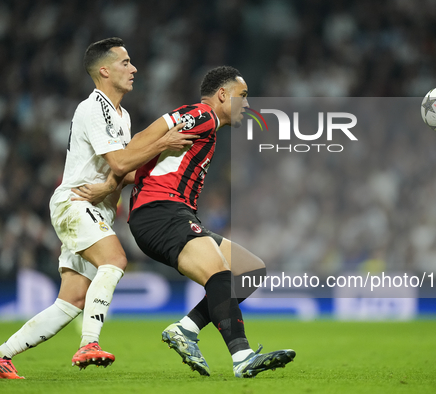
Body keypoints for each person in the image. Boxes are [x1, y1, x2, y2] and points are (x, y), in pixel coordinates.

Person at [0, 37, 195, 379]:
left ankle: (0, 356)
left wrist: (118, 180)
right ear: (104, 70)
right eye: (125, 62)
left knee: (72, 301)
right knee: (116, 260)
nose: (134, 68)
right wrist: (162, 142)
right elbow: (121, 161)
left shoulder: (120, 115)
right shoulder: (94, 107)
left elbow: (122, 172)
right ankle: (89, 343)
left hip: (93, 208)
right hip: (76, 202)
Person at [77, 66, 295, 378]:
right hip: (161, 212)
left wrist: (112, 184)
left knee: (249, 271)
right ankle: (242, 356)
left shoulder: (207, 126)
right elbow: (140, 141)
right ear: (223, 95)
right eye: (242, 96)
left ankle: (186, 329)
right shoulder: (203, 115)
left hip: (171, 213)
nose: (247, 105)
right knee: (219, 272)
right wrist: (114, 178)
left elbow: (141, 162)